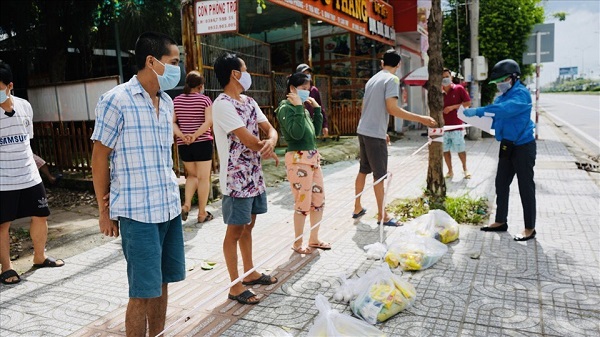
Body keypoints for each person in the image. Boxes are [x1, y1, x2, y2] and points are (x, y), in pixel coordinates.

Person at [90, 32, 185, 336]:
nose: (177, 69)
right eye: (173, 62)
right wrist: (104, 211)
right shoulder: (116, 100)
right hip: (137, 214)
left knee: (162, 284)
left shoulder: (167, 102)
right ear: (151, 61)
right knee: (142, 292)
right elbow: (99, 157)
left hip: (168, 208)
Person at [212, 52, 280, 305]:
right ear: (235, 74)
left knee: (248, 226)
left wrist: (271, 141)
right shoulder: (221, 105)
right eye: (245, 69)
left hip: (254, 176)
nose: (248, 73)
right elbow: (249, 140)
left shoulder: (249, 101)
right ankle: (234, 285)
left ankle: (250, 272)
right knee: (234, 230)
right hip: (236, 180)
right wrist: (266, 145)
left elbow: (269, 129)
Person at [353, 50, 437, 226]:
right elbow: (392, 109)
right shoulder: (392, 79)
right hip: (373, 133)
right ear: (399, 65)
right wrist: (422, 118)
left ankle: (357, 207)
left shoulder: (373, 79)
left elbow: (365, 106)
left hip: (364, 130)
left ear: (382, 62)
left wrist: (380, 129)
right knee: (380, 176)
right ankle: (383, 216)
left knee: (363, 170)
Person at [0, 61, 65, 286]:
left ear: (9, 86)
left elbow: (27, 141)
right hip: (3, 179)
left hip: (29, 175)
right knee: (3, 224)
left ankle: (40, 256)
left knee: (40, 215)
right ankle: (6, 268)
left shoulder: (25, 106)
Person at [463, 59, 536, 241]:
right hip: (506, 144)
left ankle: (529, 228)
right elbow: (496, 119)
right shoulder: (501, 97)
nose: (499, 85)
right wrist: (477, 120)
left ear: (513, 78)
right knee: (501, 183)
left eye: (501, 81)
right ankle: (500, 221)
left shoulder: (521, 95)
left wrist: (480, 111)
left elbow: (504, 110)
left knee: (525, 186)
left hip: (523, 146)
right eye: (497, 82)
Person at [276, 72, 331, 254]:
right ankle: (298, 243)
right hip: (298, 161)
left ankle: (314, 239)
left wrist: (316, 111)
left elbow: (313, 133)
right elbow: (297, 134)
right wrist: (299, 108)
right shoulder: (285, 108)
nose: (307, 93)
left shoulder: (303, 108)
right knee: (302, 202)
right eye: (304, 89)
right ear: (292, 89)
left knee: (318, 200)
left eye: (308, 89)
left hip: (312, 159)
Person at [173, 71, 214, 223]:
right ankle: (202, 213)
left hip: (185, 144)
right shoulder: (205, 100)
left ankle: (186, 205)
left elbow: (173, 122)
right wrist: (195, 135)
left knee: (191, 176)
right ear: (200, 86)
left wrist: (183, 136)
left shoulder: (176, 101)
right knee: (203, 178)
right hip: (202, 142)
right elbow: (208, 122)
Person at [442, 68, 472, 179]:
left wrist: (453, 107)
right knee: (445, 150)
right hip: (444, 127)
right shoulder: (439, 93)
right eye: (443, 77)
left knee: (460, 149)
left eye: (447, 76)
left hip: (457, 126)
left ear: (451, 77)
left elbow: (468, 102)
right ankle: (450, 171)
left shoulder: (459, 89)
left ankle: (465, 169)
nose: (445, 79)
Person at [296, 64, 329, 137]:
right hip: (299, 123)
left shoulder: (314, 90)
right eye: (304, 74)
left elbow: (320, 107)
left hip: (312, 122)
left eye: (308, 73)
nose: (307, 76)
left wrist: (325, 125)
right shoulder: (295, 90)